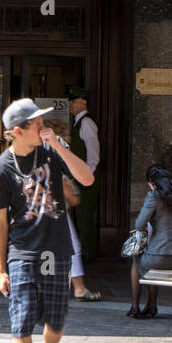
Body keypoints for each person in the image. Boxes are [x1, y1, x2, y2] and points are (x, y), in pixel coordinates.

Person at [0, 98, 95, 343]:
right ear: (18, 131)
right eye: (37, 124)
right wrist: (1, 268)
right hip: (22, 252)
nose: (43, 127)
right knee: (20, 322)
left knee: (55, 321)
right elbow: (0, 223)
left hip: (55, 250)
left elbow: (87, 179)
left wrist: (57, 146)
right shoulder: (0, 171)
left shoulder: (51, 152)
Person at [127, 165, 172, 319]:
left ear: (151, 182)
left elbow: (139, 224)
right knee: (150, 261)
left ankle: (135, 306)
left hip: (160, 256)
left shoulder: (154, 196)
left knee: (137, 261)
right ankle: (151, 305)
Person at [67, 87, 101, 261]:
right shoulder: (77, 123)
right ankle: (83, 248)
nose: (70, 104)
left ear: (83, 102)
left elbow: (93, 154)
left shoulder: (86, 123)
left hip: (87, 178)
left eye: (73, 100)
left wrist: (87, 176)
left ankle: (88, 251)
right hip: (80, 178)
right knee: (80, 215)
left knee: (85, 215)